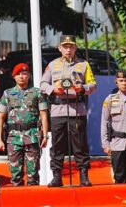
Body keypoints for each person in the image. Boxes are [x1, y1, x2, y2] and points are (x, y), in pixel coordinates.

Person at [40, 35, 97, 187]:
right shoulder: (53, 65)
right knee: (57, 145)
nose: (68, 49)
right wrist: (53, 89)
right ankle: (57, 176)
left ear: (75, 48)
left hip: (77, 110)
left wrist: (83, 88)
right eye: (65, 46)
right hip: (58, 110)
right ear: (60, 48)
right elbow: (43, 84)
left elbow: (93, 84)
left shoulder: (83, 65)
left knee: (80, 145)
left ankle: (83, 175)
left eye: (71, 46)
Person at [0, 63, 48, 186]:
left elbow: (43, 115)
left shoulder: (37, 93)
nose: (21, 76)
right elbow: (0, 117)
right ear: (13, 76)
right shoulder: (7, 94)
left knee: (33, 175)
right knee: (15, 176)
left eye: (24, 74)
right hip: (13, 138)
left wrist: (45, 136)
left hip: (32, 136)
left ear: (29, 75)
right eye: (18, 74)